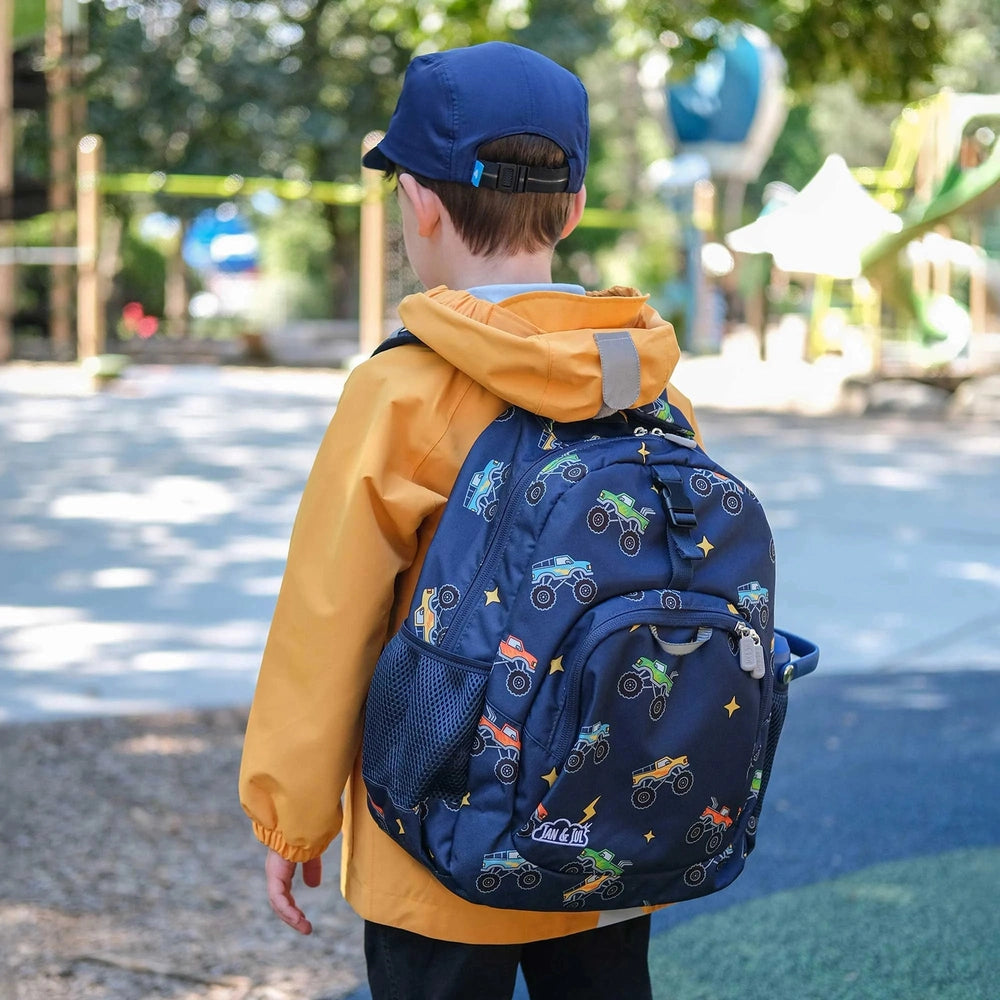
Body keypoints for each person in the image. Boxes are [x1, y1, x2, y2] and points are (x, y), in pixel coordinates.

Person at [239, 40, 701, 1000]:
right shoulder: (650, 389)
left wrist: (291, 815)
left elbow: (330, 616)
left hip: (436, 839)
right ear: (571, 209)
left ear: (418, 201)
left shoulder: (401, 392)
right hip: (605, 832)